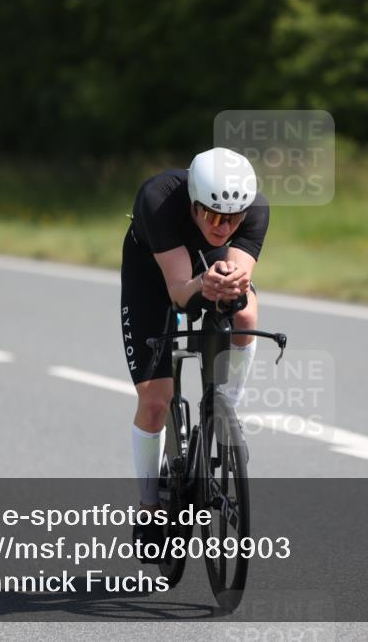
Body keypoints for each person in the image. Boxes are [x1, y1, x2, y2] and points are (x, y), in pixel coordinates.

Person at [119, 148, 269, 557]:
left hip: (206, 267)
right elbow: (179, 292)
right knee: (154, 401)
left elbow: (238, 272)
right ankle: (149, 508)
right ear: (193, 204)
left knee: (247, 310)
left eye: (233, 219)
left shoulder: (254, 209)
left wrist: (229, 285)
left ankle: (227, 410)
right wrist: (202, 285)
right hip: (156, 273)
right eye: (214, 216)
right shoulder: (159, 200)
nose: (224, 227)